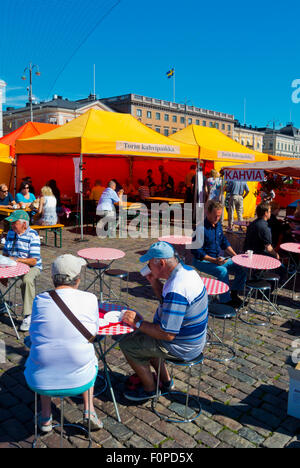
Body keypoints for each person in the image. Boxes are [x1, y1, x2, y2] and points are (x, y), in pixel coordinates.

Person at [120, 241, 208, 401]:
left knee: (128, 344)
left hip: (182, 347)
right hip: (193, 341)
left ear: (161, 263)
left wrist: (137, 323)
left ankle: (149, 389)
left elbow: (167, 334)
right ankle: (166, 381)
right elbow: (167, 304)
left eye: (149, 263)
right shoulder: (187, 272)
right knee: (147, 337)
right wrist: (154, 283)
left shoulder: (177, 288)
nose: (148, 266)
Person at [24, 254, 102, 432]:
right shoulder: (90, 298)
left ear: (52, 279)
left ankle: (45, 417)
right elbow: (93, 333)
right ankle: (89, 411)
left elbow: (35, 331)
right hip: (80, 377)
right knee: (89, 356)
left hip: (40, 379)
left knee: (42, 354)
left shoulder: (40, 300)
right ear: (78, 279)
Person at [192, 200, 247, 307]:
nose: (217, 218)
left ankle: (234, 294)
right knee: (222, 271)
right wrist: (214, 260)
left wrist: (235, 256)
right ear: (207, 213)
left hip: (217, 259)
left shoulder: (218, 225)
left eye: (219, 216)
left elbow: (223, 242)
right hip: (202, 261)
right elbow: (196, 251)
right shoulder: (200, 228)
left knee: (241, 267)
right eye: (215, 216)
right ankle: (225, 301)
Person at [2, 210, 42, 331]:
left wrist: (16, 259)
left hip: (31, 267)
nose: (12, 225)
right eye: (12, 223)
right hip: (12, 265)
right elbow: (5, 254)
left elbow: (33, 261)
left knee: (27, 280)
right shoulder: (10, 233)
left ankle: (28, 315)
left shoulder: (33, 235)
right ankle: (1, 304)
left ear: (24, 224)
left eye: (15, 223)